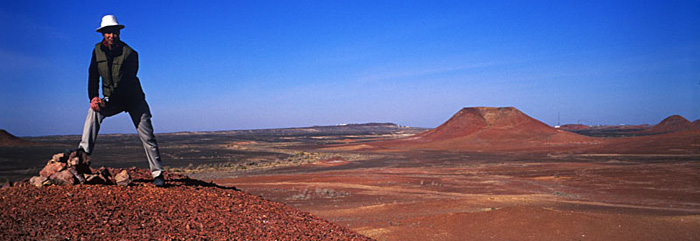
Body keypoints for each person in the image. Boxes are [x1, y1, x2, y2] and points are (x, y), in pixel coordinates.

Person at [78, 15, 165, 187]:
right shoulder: (96, 51)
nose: (111, 36)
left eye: (114, 32)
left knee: (147, 136)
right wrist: (94, 97)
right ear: (103, 34)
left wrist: (107, 101)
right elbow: (93, 75)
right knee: (93, 112)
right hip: (111, 100)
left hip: (133, 99)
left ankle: (157, 173)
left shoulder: (130, 54)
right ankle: (83, 151)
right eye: (108, 32)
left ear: (119, 33)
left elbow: (126, 83)